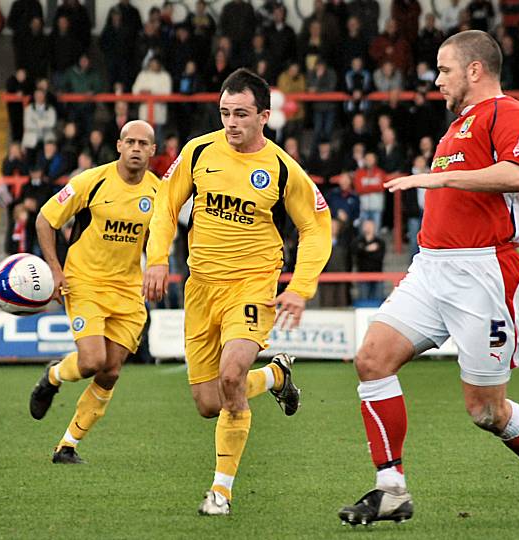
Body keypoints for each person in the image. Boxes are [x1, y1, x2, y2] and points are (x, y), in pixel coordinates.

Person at [338, 30, 519, 528]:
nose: (436, 79)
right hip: (431, 268)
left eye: (443, 69)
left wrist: (434, 178)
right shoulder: (457, 125)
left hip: (482, 273)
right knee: (372, 359)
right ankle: (391, 489)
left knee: (486, 411)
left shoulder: (511, 114)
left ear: (475, 70)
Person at [143, 68, 331, 515]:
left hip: (253, 284)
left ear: (264, 116)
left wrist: (300, 287)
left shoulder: (283, 168)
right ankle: (276, 376)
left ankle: (220, 493)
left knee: (231, 377)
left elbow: (317, 227)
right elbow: (166, 208)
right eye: (225, 112)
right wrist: (155, 258)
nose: (231, 122)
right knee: (211, 404)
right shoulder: (198, 151)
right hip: (201, 287)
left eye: (241, 114)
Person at [28, 120, 160, 464]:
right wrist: (55, 270)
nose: (135, 148)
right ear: (118, 145)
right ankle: (54, 375)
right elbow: (45, 220)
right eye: (129, 141)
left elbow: (163, 237)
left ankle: (67, 446)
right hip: (84, 281)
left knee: (111, 370)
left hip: (129, 290)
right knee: (91, 361)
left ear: (152, 151)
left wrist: (157, 267)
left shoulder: (159, 192)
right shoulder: (91, 181)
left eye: (142, 143)